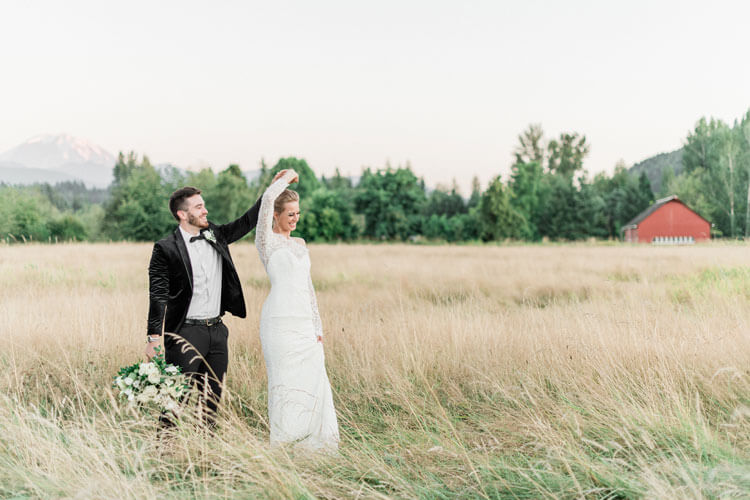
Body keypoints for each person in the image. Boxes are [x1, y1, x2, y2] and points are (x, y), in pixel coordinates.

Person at [145, 170, 288, 425]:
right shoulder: (165, 249)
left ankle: (206, 455)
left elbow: (248, 220)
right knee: (175, 402)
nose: (205, 211)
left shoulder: (215, 235)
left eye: (204, 206)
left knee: (211, 403)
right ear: (182, 214)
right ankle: (164, 453)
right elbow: (157, 295)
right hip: (184, 334)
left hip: (217, 333)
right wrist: (154, 338)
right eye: (199, 207)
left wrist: (274, 189)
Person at [255, 169, 339, 451]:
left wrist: (318, 328)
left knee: (314, 380)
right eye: (290, 214)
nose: (295, 219)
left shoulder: (301, 245)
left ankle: (314, 444)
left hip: (304, 324)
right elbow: (267, 198)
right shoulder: (266, 241)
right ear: (276, 215)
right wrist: (284, 179)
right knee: (284, 383)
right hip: (278, 323)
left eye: (298, 214)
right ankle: (284, 442)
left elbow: (309, 288)